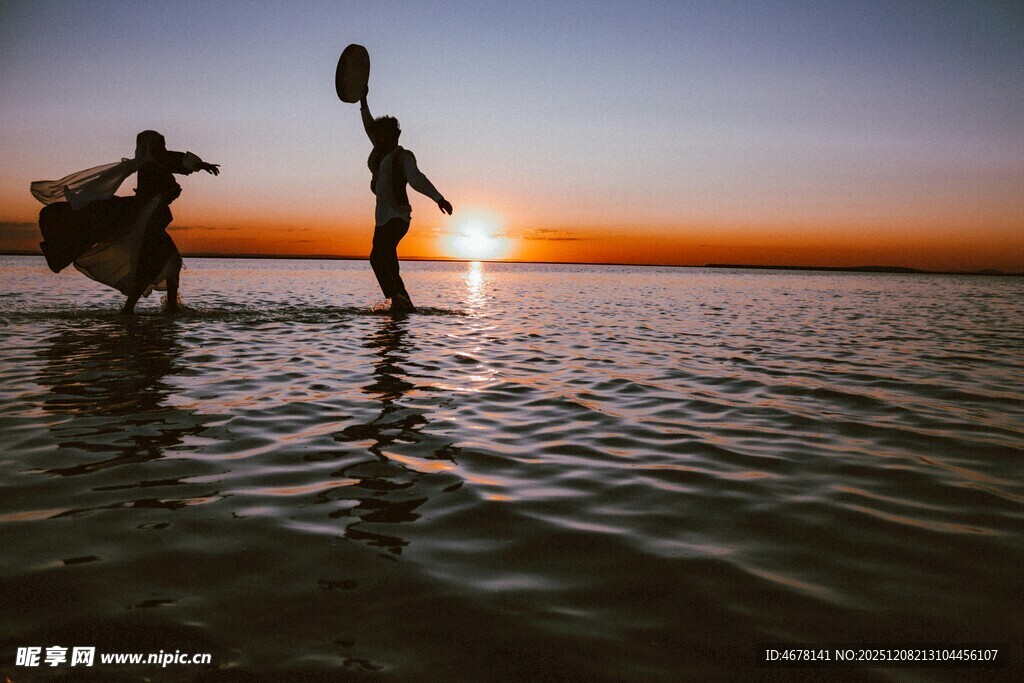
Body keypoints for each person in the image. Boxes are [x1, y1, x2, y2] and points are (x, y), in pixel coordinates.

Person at [31, 130, 219, 314]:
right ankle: (142, 309)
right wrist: (201, 166)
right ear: (148, 147)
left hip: (152, 222)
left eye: (162, 144)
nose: (162, 148)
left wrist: (202, 165)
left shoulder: (155, 163)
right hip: (148, 224)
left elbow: (176, 161)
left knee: (170, 262)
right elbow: (173, 164)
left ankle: (165, 307)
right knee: (160, 263)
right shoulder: (149, 166)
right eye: (158, 145)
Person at [360, 94, 452, 312]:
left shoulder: (403, 156)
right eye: (380, 135)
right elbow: (369, 127)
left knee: (376, 258)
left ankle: (396, 302)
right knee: (390, 265)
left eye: (387, 134)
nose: (382, 138)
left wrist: (438, 197)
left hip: (398, 217)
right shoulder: (381, 154)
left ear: (396, 135)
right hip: (382, 220)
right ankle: (405, 307)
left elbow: (417, 178)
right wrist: (362, 101)